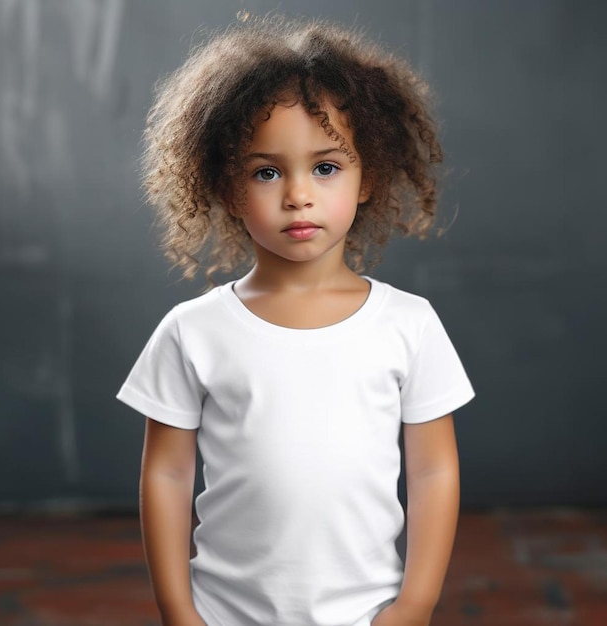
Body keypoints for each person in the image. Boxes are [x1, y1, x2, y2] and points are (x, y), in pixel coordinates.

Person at [117, 14, 474, 626]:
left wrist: (416, 602)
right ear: (228, 188)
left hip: (367, 613)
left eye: (327, 167)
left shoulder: (409, 325)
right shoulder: (192, 330)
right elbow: (167, 474)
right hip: (222, 613)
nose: (298, 195)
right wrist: (179, 609)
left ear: (369, 179)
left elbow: (434, 469)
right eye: (267, 171)